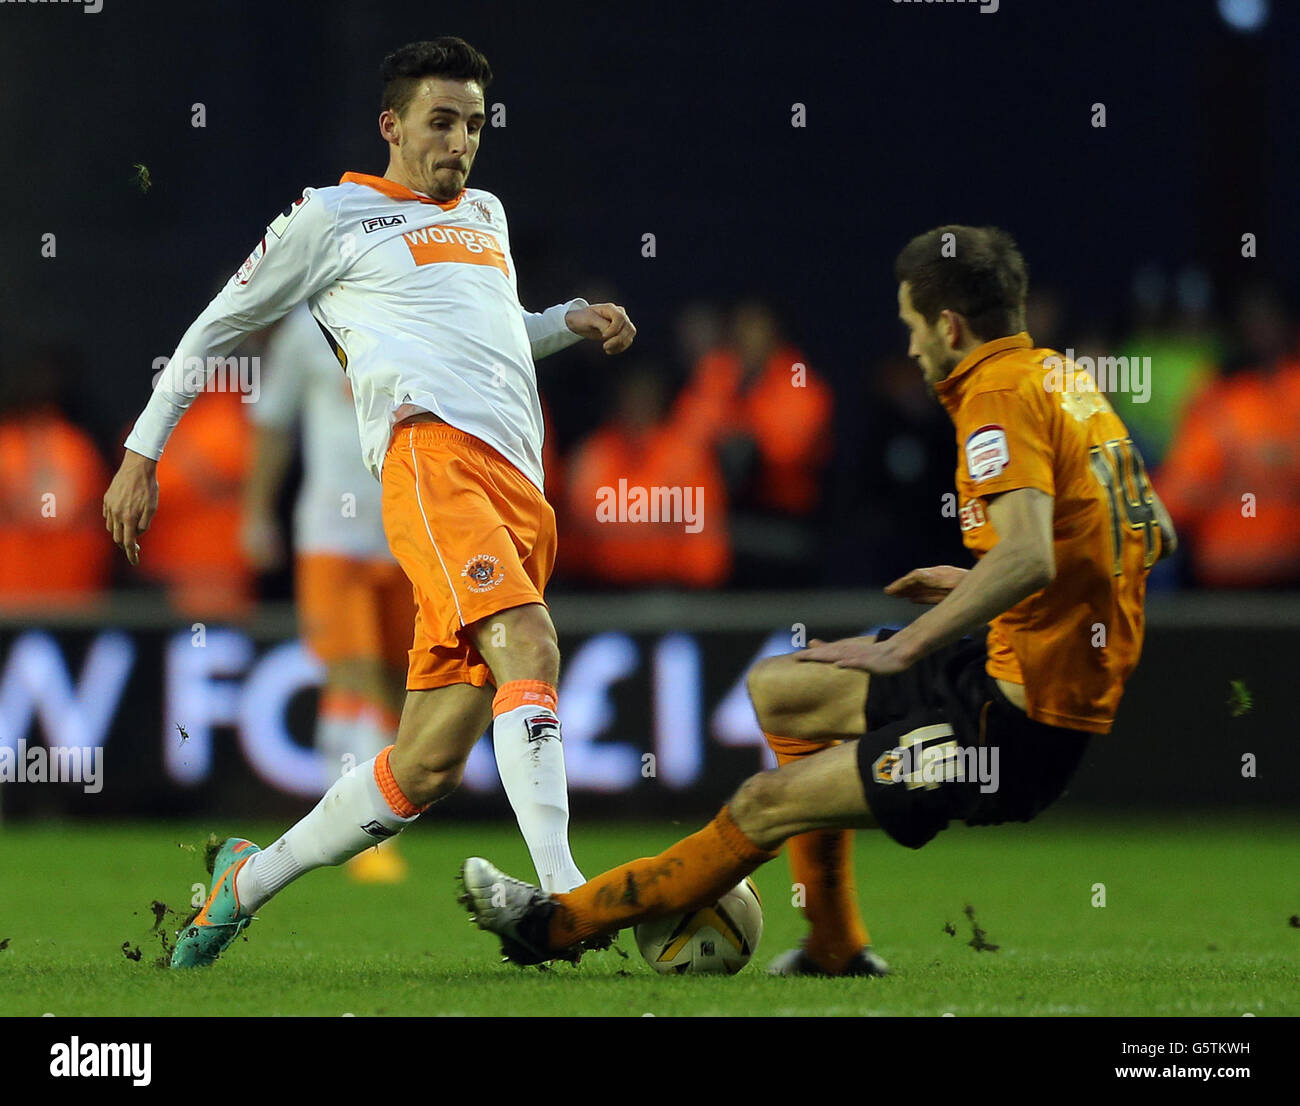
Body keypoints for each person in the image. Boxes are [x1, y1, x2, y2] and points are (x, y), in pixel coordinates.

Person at [460, 225, 1177, 974]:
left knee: (765, 803)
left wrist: (908, 640)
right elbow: (1148, 531)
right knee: (784, 690)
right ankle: (834, 946)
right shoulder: (1060, 378)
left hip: (1016, 729)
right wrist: (989, 586)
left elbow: (1031, 553)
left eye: (911, 325)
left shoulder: (996, 393)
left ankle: (552, 925)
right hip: (997, 675)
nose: (909, 347)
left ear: (949, 326)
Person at [102, 37, 636, 967]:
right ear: (391, 125)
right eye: (441, 122)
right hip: (433, 461)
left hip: (519, 486)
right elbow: (218, 324)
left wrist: (566, 321)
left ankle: (245, 882)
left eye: (473, 125)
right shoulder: (330, 217)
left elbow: (491, 336)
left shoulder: (488, 215)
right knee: (533, 643)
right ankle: (564, 903)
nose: (460, 142)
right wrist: (143, 450)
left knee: (427, 763)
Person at [243, 303, 414, 882]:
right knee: (354, 669)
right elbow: (272, 423)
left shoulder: (409, 314)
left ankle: (353, 819)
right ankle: (363, 838)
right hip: (330, 534)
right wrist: (256, 512)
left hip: (404, 529)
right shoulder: (303, 332)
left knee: (393, 677)